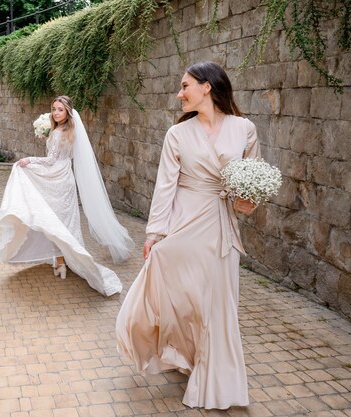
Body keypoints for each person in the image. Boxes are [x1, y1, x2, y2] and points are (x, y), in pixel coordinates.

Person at [115, 62, 260, 409]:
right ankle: (179, 350)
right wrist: (154, 233)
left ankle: (215, 379)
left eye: (185, 86)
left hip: (221, 226)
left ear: (207, 87)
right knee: (186, 298)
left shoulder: (245, 129)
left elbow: (253, 183)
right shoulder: (177, 135)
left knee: (217, 304)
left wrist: (247, 202)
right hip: (185, 224)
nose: (179, 94)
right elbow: (165, 188)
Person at [0, 96, 134, 296]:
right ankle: (62, 261)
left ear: (68, 112)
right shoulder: (70, 131)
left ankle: (61, 262)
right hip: (66, 179)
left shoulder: (58, 133)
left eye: (60, 109)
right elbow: (66, 158)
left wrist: (29, 160)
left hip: (57, 180)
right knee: (65, 223)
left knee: (55, 222)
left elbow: (51, 160)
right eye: (53, 109)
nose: (55, 113)